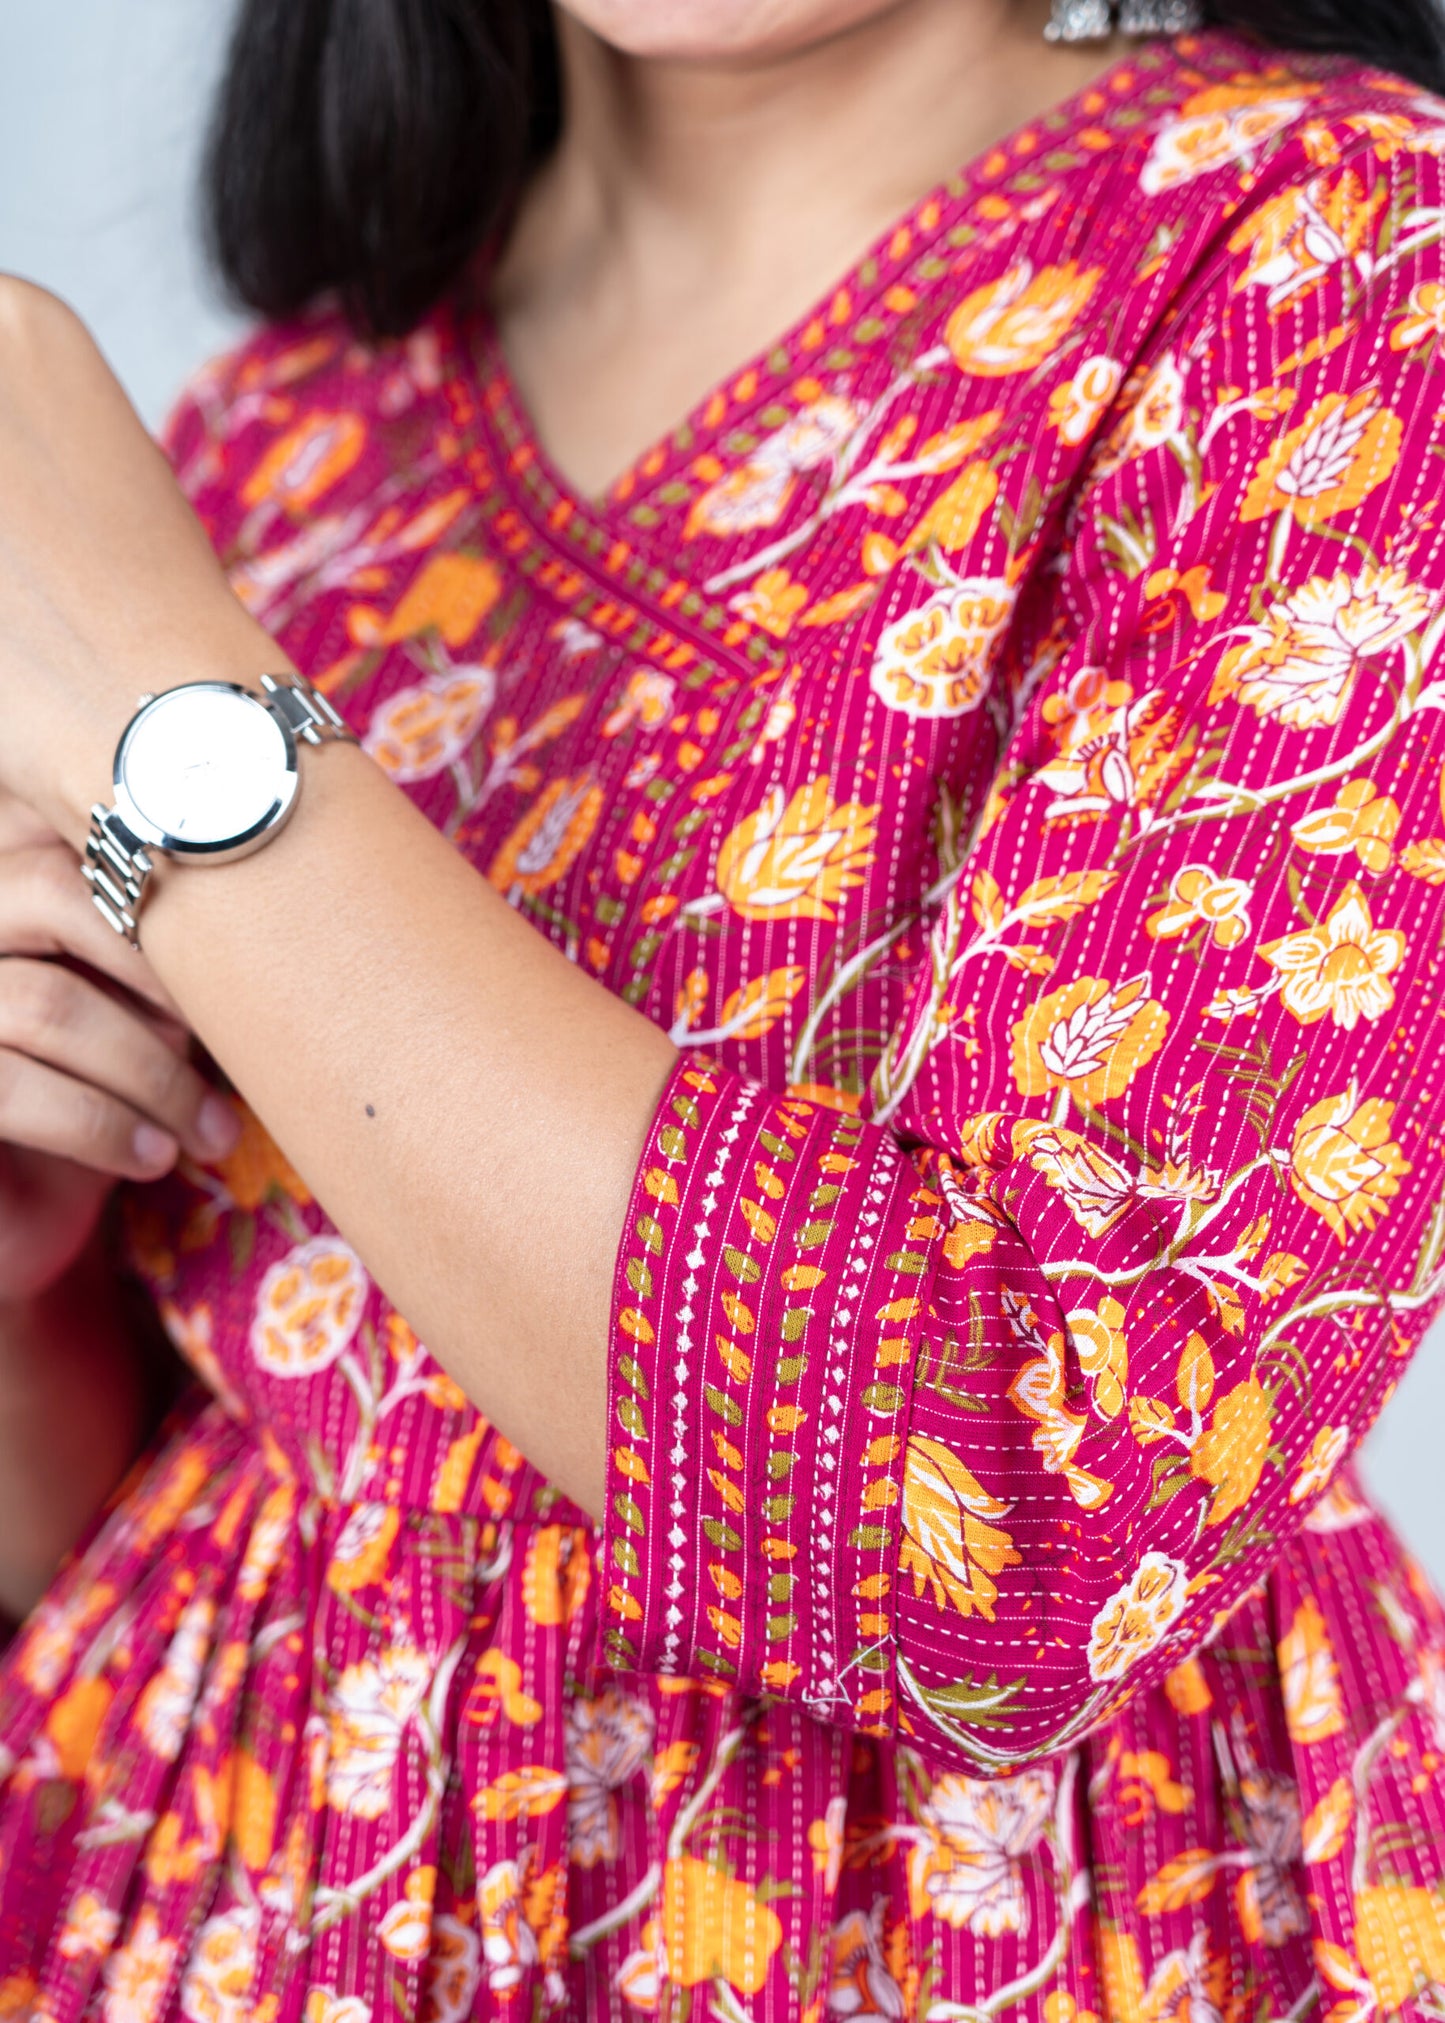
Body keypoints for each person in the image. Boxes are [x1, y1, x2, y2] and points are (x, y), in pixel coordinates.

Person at [4, 0, 1445, 2012]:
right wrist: (21, 1272)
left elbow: (1021, 1530)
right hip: (212, 1903)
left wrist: (167, 709)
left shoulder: (1337, 263)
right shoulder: (295, 427)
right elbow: (203, 1486)